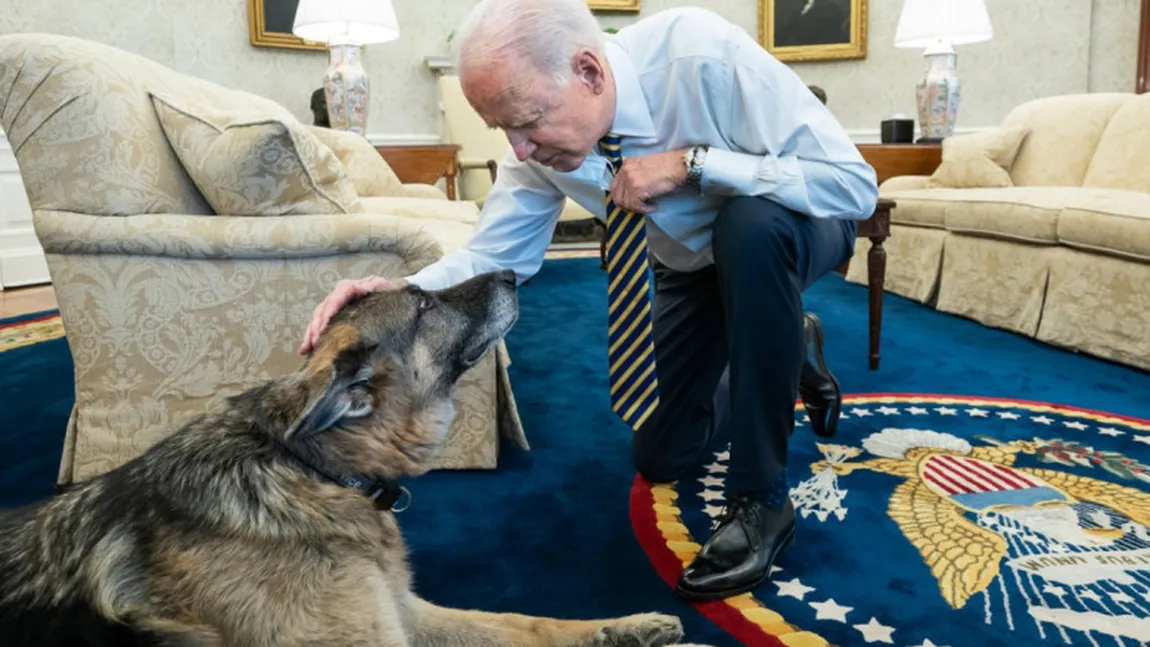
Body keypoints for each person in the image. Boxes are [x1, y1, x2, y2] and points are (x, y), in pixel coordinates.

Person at [298, 0, 878, 602]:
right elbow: (499, 257)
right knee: (661, 455)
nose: (519, 149)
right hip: (687, 265)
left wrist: (695, 165)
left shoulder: (700, 56)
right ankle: (792, 343)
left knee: (749, 229)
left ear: (589, 73)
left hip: (796, 225)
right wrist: (403, 291)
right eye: (503, 130)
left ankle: (760, 500)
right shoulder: (539, 150)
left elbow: (853, 186)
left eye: (527, 122)